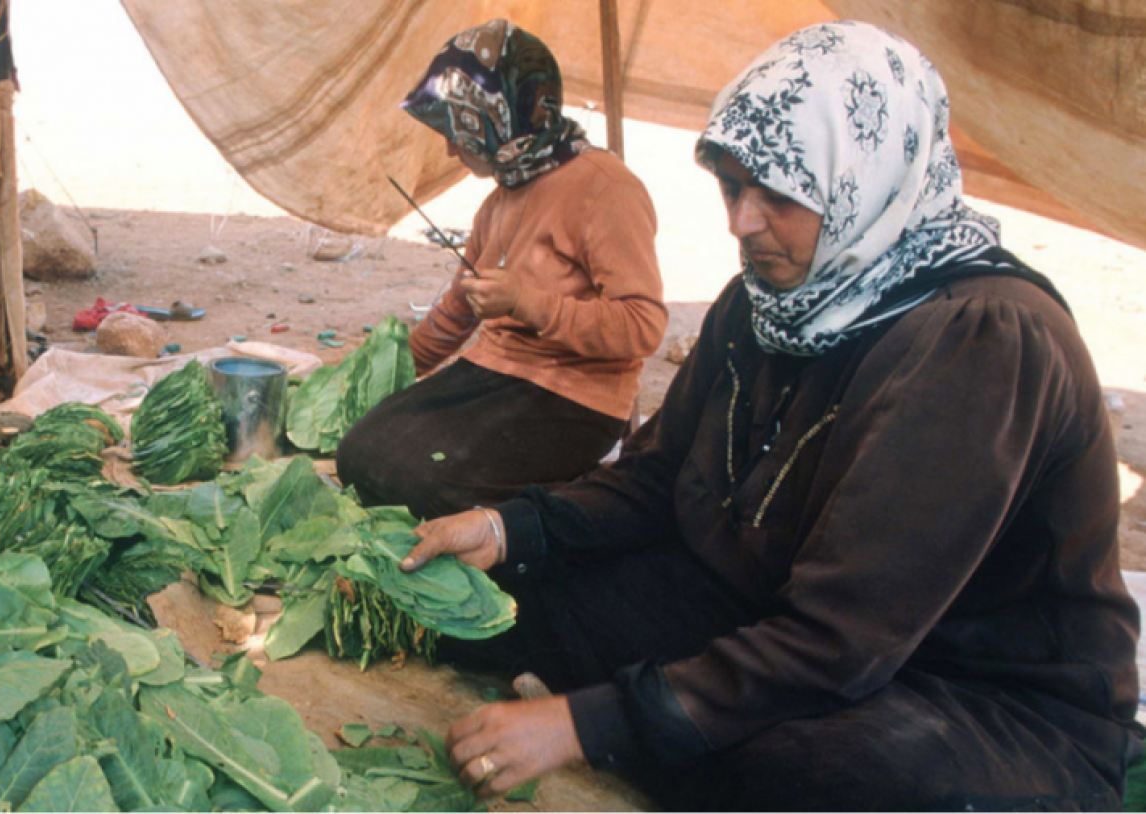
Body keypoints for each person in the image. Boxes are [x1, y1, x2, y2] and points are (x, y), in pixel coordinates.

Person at [401, 21, 1142, 810]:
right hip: (770, 610)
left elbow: (841, 639)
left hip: (971, 693)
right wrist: (509, 528)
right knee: (518, 602)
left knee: (787, 772)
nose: (741, 222)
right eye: (731, 185)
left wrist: (585, 724)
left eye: (779, 195)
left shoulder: (984, 341)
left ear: (863, 182)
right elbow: (654, 478)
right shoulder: (765, 300)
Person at [335, 19, 666, 520]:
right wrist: (387, 368)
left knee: (432, 488)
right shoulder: (501, 198)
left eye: (460, 130)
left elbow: (642, 327)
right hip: (490, 375)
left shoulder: (606, 188)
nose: (450, 148)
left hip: (574, 398)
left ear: (502, 117)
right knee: (358, 454)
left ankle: (561, 512)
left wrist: (526, 303)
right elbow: (458, 307)